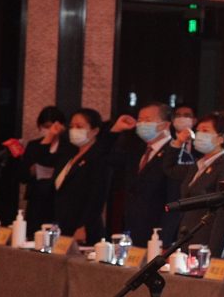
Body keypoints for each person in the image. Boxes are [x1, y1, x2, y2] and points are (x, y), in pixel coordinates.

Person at [166, 112, 224, 256]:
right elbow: (169, 169)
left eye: (205, 131)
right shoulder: (198, 165)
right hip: (188, 241)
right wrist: (178, 143)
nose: (199, 135)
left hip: (208, 247)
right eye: (198, 130)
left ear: (221, 138)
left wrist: (213, 254)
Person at [114, 103, 182, 245]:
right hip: (132, 231)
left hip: (157, 234)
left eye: (148, 120)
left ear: (165, 125)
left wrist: (164, 239)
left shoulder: (175, 153)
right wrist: (116, 130)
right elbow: (110, 159)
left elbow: (174, 201)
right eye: (139, 120)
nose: (142, 124)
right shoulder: (138, 150)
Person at [45, 109, 110, 237]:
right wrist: (50, 136)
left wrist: (84, 226)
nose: (74, 130)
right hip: (62, 222)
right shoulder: (69, 154)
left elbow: (97, 196)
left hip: (82, 226)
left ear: (95, 131)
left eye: (79, 127)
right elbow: (44, 160)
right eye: (72, 126)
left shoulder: (98, 158)